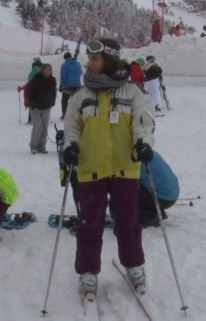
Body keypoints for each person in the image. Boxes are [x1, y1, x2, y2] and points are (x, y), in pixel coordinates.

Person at [62, 38, 156, 296]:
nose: (88, 63)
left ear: (108, 60)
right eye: (89, 58)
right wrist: (70, 145)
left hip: (125, 168)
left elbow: (144, 123)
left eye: (94, 58)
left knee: (127, 220)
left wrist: (144, 143)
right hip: (90, 168)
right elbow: (71, 126)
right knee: (90, 222)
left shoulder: (133, 93)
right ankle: (88, 271)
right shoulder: (81, 96)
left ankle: (134, 265)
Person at [138, 151, 179, 227]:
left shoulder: (136, 157)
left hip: (162, 197)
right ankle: (156, 211)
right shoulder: (148, 151)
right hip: (172, 195)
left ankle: (148, 216)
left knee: (126, 190)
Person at [26, 63, 56, 154]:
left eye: (49, 70)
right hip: (35, 107)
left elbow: (54, 92)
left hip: (46, 107)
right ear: (42, 70)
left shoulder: (52, 80)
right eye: (46, 69)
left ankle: (42, 147)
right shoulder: (36, 79)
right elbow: (29, 93)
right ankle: (34, 146)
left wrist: (52, 102)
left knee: (45, 128)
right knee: (38, 127)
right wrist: (33, 106)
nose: (48, 71)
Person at [59, 52, 83, 120]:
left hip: (67, 86)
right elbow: (81, 73)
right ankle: (77, 115)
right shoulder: (78, 63)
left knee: (64, 101)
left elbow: (63, 76)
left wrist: (61, 85)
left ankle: (65, 115)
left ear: (65, 58)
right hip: (77, 86)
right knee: (76, 101)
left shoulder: (64, 65)